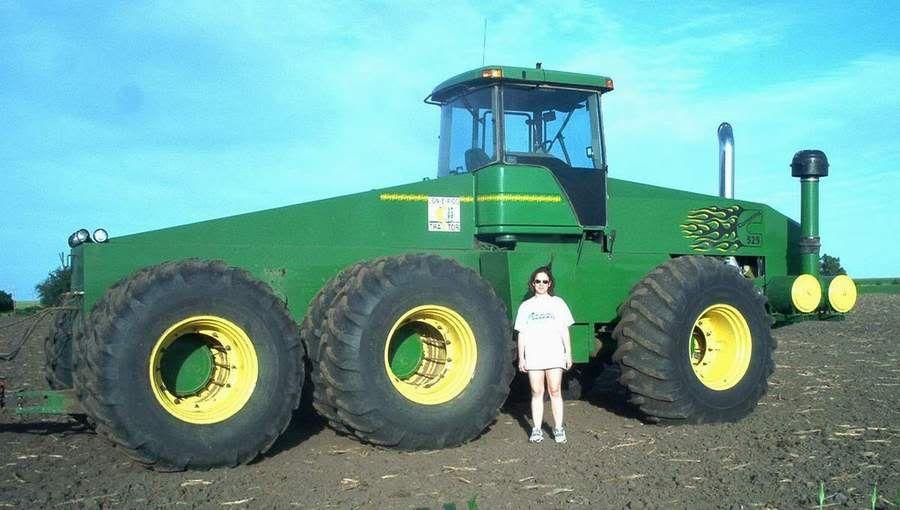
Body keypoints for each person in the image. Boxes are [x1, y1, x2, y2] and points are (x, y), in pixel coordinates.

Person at [514, 266, 574, 444]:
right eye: (538, 281)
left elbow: (564, 331)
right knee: (536, 391)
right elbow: (521, 333)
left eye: (544, 281)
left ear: (550, 284)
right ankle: (537, 429)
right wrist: (522, 357)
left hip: (554, 353)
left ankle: (558, 428)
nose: (541, 284)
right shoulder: (526, 306)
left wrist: (568, 354)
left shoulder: (558, 303)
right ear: (533, 284)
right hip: (534, 354)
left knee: (554, 390)